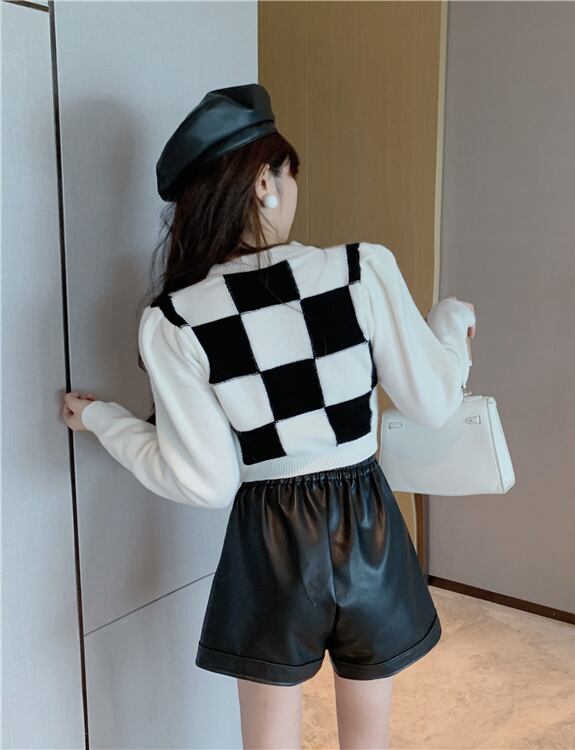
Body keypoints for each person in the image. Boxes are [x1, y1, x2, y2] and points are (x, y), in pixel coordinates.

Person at [62, 84, 476, 749]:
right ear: (264, 182)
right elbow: (434, 401)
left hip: (269, 539)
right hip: (366, 521)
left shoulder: (174, 320)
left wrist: (104, 421)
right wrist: (450, 327)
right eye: (290, 174)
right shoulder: (361, 271)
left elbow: (206, 481)